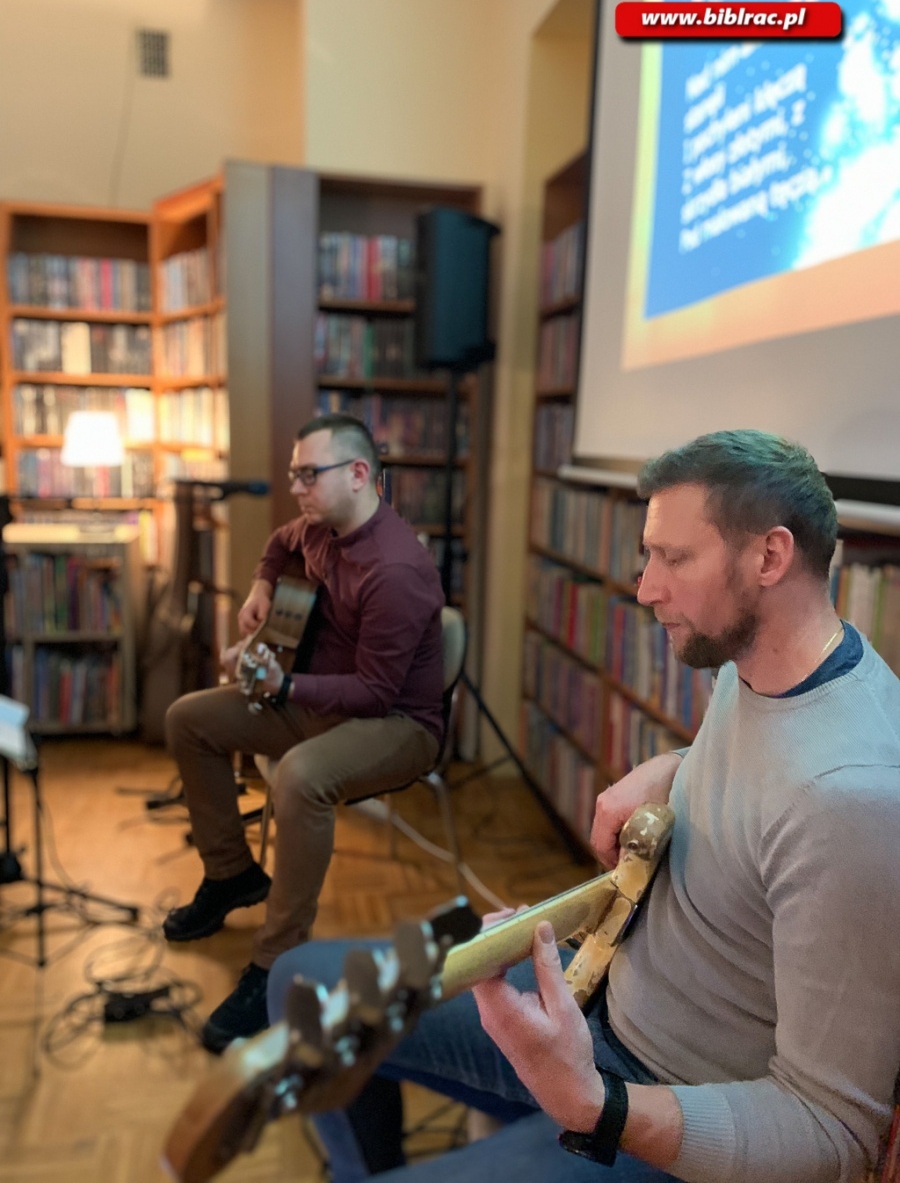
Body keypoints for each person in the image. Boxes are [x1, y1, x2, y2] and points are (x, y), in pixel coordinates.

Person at [268, 429, 900, 1182]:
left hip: (657, 1104)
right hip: (597, 997)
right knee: (299, 988)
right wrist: (672, 766)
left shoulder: (851, 802)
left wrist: (594, 1105)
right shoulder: (766, 659)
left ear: (769, 558)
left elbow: (832, 1131)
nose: (645, 588)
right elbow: (769, 780)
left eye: (674, 557)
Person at [164, 413, 445, 1053]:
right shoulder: (322, 526)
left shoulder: (397, 569)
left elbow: (376, 692)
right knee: (189, 719)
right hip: (321, 699)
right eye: (293, 474)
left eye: (307, 474)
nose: (296, 487)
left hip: (396, 722)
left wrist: (284, 687)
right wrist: (263, 586)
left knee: (301, 777)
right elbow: (282, 542)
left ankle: (275, 963)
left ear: (357, 474)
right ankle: (232, 874)